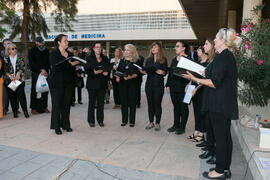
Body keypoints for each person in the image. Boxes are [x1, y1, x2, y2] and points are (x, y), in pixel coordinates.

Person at [183, 28, 241, 179]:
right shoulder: (225, 56)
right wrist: (204, 73)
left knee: (221, 138)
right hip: (223, 103)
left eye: (216, 38)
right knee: (225, 137)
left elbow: (215, 83)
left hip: (219, 104)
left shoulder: (223, 57)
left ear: (223, 40)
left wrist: (195, 79)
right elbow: (217, 76)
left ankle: (220, 170)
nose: (214, 40)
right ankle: (225, 168)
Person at [47, 34, 79, 135]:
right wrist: (70, 64)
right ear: (59, 42)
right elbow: (56, 67)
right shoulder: (54, 54)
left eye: (67, 41)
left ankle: (66, 125)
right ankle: (56, 126)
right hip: (56, 83)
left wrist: (75, 65)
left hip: (68, 83)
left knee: (66, 105)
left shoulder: (70, 54)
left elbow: (71, 69)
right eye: (65, 41)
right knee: (56, 105)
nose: (67, 42)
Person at [141, 42, 167, 131]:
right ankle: (151, 122)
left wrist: (162, 72)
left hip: (158, 85)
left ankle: (158, 123)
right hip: (149, 85)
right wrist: (143, 71)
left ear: (159, 49)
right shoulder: (149, 59)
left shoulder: (163, 59)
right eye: (152, 47)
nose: (153, 49)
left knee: (157, 104)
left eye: (155, 47)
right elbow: (146, 71)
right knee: (150, 104)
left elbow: (165, 72)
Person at [165, 41, 190, 135]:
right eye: (176, 46)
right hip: (174, 86)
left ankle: (182, 127)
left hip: (184, 87)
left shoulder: (189, 59)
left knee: (183, 107)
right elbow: (171, 72)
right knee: (176, 106)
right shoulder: (174, 58)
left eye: (177, 46)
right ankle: (175, 124)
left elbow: (191, 75)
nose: (175, 48)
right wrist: (168, 84)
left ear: (183, 48)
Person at [187, 46, 211, 142]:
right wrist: (188, 85)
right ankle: (196, 130)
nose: (197, 51)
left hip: (201, 90)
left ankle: (202, 132)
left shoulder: (208, 64)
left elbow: (205, 79)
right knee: (196, 111)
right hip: (193, 89)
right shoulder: (198, 62)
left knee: (202, 112)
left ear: (204, 52)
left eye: (199, 50)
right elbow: (193, 77)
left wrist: (196, 88)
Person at [85, 42, 110, 127]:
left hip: (102, 84)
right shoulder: (89, 58)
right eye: (96, 47)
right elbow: (87, 71)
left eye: (100, 47)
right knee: (91, 103)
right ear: (93, 48)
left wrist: (106, 73)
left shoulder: (105, 58)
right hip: (92, 84)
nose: (98, 49)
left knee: (100, 103)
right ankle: (91, 121)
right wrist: (94, 72)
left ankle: (100, 120)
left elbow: (108, 68)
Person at [116, 44, 140, 127]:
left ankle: (132, 121)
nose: (125, 51)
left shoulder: (136, 61)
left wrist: (131, 77)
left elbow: (138, 73)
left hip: (132, 85)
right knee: (124, 103)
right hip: (123, 85)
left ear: (132, 51)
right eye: (125, 50)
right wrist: (117, 74)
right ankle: (124, 120)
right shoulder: (122, 61)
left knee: (132, 103)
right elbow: (118, 71)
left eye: (127, 50)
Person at [4, 43, 29, 118]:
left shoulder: (20, 58)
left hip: (19, 80)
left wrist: (19, 72)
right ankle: (15, 112)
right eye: (13, 49)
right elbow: (4, 70)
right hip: (10, 81)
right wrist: (9, 76)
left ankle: (25, 111)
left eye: (15, 48)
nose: (15, 50)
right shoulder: (5, 60)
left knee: (21, 96)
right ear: (8, 51)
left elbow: (23, 67)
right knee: (12, 97)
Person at [28, 37, 50, 114]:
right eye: (40, 42)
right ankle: (33, 108)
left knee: (45, 89)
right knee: (34, 90)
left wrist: (45, 70)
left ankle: (45, 107)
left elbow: (48, 62)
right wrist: (39, 70)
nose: (42, 44)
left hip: (45, 73)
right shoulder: (32, 50)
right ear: (36, 42)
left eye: (43, 42)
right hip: (36, 73)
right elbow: (31, 63)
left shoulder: (46, 50)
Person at [1, 39, 12, 115]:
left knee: (15, 93)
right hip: (4, 77)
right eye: (7, 43)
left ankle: (16, 108)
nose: (8, 45)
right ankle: (4, 109)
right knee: (4, 95)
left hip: (14, 77)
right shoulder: (1, 54)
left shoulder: (15, 52)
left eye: (10, 43)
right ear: (3, 45)